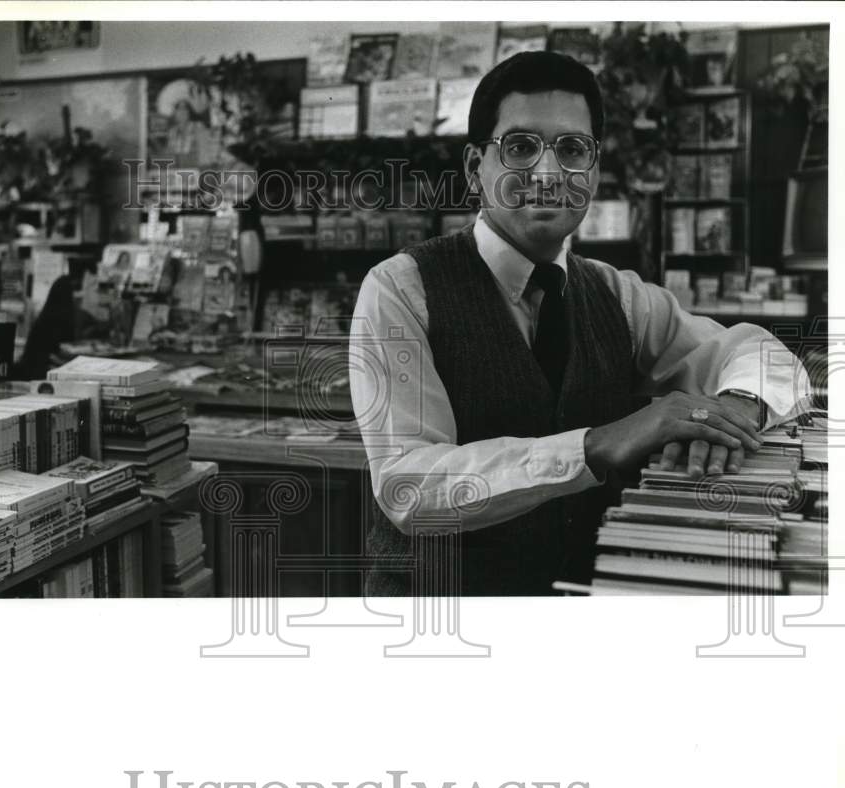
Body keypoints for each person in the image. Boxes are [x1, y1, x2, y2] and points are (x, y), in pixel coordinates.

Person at [348, 51, 811, 597]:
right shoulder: (401, 288)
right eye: (520, 147)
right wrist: (595, 446)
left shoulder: (615, 292)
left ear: (591, 171)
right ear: (475, 167)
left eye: (571, 149)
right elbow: (409, 485)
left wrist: (737, 406)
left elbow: (753, 351)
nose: (547, 173)